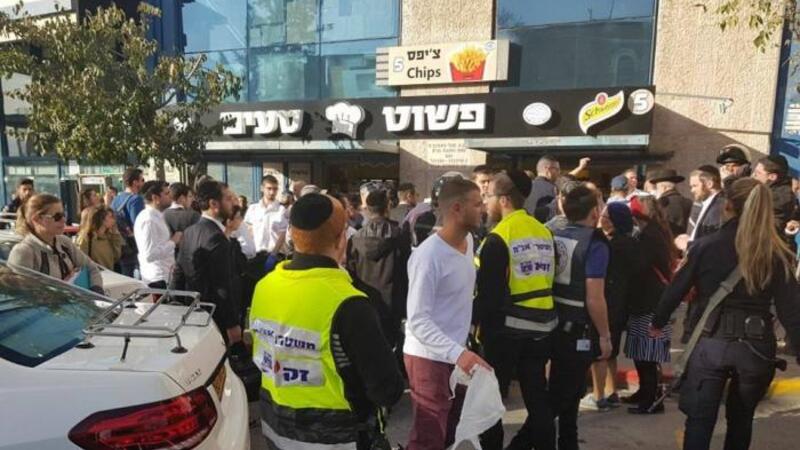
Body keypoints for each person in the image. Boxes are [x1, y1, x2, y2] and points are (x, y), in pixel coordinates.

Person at [651, 177, 800, 450]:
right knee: (741, 421)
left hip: (712, 342)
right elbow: (792, 310)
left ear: (727, 206)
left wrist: (658, 322)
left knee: (699, 421)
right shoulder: (776, 253)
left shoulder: (706, 246)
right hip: (756, 347)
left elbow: (675, 289)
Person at [250, 193, 404, 449]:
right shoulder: (350, 303)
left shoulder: (264, 287)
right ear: (342, 238)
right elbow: (387, 390)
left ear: (292, 235)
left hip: (276, 430)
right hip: (337, 438)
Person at [474, 170, 558, 450]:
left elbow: (489, 295)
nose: (486, 202)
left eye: (488, 196)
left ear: (504, 200)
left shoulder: (499, 237)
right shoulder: (544, 231)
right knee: (537, 397)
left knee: (492, 401)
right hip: (542, 329)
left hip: (506, 331)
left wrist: (479, 334)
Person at [404, 178, 490, 450]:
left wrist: (461, 352)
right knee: (429, 435)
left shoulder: (468, 241)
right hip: (427, 357)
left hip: (455, 355)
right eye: (477, 204)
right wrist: (459, 354)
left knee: (451, 430)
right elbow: (418, 320)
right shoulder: (428, 257)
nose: (484, 209)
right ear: (456, 208)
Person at [547, 185, 612, 450]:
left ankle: (568, 443)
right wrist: (605, 335)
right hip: (578, 328)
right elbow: (595, 297)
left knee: (568, 394)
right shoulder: (595, 243)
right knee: (562, 397)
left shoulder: (555, 233)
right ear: (594, 211)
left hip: (554, 320)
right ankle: (521, 443)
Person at [623, 195, 678, 414]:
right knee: (642, 351)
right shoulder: (655, 232)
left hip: (650, 300)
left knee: (647, 353)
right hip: (650, 299)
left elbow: (639, 265)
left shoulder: (650, 235)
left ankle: (651, 398)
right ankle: (645, 392)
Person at [172, 180, 242, 345]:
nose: (233, 203)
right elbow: (223, 286)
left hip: (192, 314)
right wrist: (232, 324)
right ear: (213, 204)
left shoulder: (190, 231)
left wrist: (175, 305)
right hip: (214, 318)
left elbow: (178, 272)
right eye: (228, 199)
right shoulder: (217, 238)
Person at [587, 203, 641, 408]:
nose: (602, 219)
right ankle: (611, 392)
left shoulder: (611, 245)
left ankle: (598, 395)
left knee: (600, 350)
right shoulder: (632, 242)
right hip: (622, 303)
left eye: (606, 216)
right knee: (611, 349)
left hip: (607, 301)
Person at [346, 189, 410, 354]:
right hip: (393, 300)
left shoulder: (356, 238)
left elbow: (351, 272)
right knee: (390, 347)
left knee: (367, 347)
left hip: (365, 299)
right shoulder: (399, 235)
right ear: (387, 206)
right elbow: (407, 268)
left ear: (367, 208)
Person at [8, 193, 102, 292]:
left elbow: (92, 268)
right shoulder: (23, 251)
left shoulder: (65, 242)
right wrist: (62, 288)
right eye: (57, 216)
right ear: (36, 219)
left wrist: (97, 290)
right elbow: (20, 293)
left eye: (63, 215)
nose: (63, 220)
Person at [134, 180, 180, 288]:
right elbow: (149, 255)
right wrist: (173, 242)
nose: (171, 196)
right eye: (166, 193)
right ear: (155, 198)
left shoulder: (157, 216)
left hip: (165, 276)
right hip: (158, 279)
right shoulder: (149, 220)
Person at [525, 156, 590, 222]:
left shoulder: (526, 188)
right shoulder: (553, 188)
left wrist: (580, 167)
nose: (559, 172)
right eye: (557, 169)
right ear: (548, 169)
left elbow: (565, 179)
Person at [244, 175, 289, 272]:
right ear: (262, 188)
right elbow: (249, 231)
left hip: (275, 256)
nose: (272, 192)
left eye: (275, 189)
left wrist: (273, 255)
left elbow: (283, 234)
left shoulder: (281, 210)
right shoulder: (253, 209)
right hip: (256, 254)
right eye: (269, 188)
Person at [676, 166, 724, 252]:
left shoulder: (719, 206)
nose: (692, 190)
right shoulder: (706, 204)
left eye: (695, 186)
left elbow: (714, 241)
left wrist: (689, 244)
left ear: (709, 184)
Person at [111, 167, 146, 277]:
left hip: (119, 244)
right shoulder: (136, 199)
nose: (143, 183)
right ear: (135, 182)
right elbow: (138, 224)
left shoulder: (116, 199)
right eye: (142, 180)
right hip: (133, 246)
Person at [752, 155, 797, 233]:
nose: (753, 175)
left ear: (772, 177)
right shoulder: (773, 189)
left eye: (758, 173)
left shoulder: (777, 197)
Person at [648, 169, 693, 237]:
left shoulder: (660, 203)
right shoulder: (688, 202)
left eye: (657, 188)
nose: (657, 190)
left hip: (667, 241)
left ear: (664, 188)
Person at [76, 206, 123, 270]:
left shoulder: (109, 237)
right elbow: (81, 262)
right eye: (111, 217)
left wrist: (115, 235)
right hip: (94, 274)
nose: (114, 220)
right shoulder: (86, 239)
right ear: (102, 220)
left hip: (109, 273)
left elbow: (116, 257)